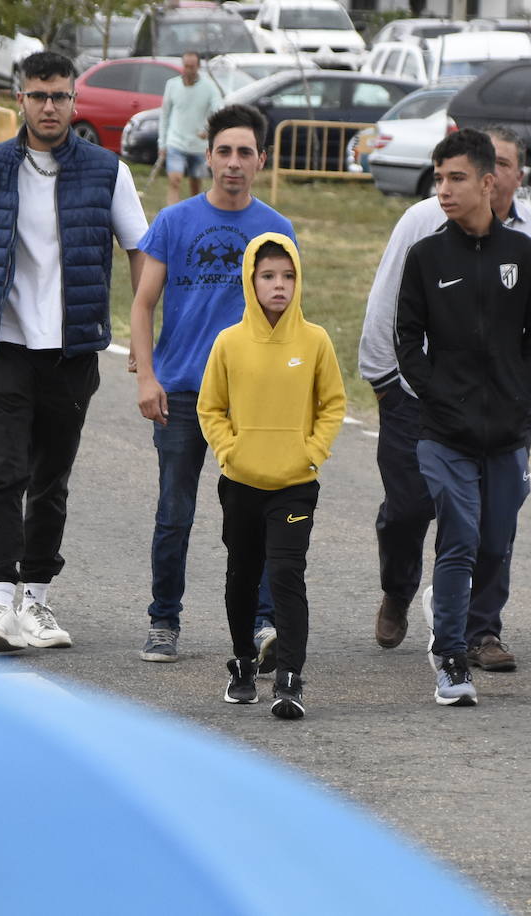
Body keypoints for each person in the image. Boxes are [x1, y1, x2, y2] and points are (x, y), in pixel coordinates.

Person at [0, 51, 149, 652]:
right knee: (3, 473)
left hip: (71, 351)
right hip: (3, 346)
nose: (49, 106)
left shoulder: (107, 172)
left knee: (50, 479)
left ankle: (38, 600)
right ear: (21, 99)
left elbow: (140, 252)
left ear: (74, 101)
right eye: (38, 96)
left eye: (59, 95)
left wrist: (141, 338)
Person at [358, 125, 531, 672]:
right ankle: (400, 588)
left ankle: (479, 632)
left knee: (489, 527)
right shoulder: (422, 229)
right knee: (408, 511)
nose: (448, 187)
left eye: (501, 165)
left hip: (503, 413)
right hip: (416, 402)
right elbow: (391, 313)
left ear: (506, 177)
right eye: (441, 177)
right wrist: (389, 384)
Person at [129, 103, 296, 663]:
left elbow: (288, 313)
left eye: (245, 152)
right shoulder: (175, 222)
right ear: (208, 157)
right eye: (223, 151)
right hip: (179, 391)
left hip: (250, 399)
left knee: (256, 515)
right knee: (174, 513)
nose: (233, 162)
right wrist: (147, 376)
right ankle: (163, 620)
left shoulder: (277, 229)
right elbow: (143, 303)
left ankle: (263, 625)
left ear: (261, 160)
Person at [394, 128, 531, 706]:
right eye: (438, 179)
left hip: (507, 432)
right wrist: (436, 394)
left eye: (455, 178)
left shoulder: (525, 255)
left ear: (489, 183)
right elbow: (407, 339)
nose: (443, 190)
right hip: (444, 432)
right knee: (459, 535)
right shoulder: (427, 256)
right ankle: (450, 658)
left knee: (494, 541)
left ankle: (460, 617)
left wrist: (523, 393)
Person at [197, 233, 345, 718]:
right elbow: (210, 407)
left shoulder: (315, 341)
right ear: (251, 281)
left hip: (294, 485)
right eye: (268, 276)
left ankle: (290, 680)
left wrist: (311, 451)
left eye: (287, 276)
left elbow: (333, 404)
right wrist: (230, 450)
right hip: (240, 482)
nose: (279, 285)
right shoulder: (229, 342)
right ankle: (242, 664)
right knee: (242, 576)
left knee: (286, 575)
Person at [157, 52, 223, 208]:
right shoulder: (172, 85)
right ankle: (172, 214)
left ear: (198, 67)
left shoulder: (208, 87)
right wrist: (162, 143)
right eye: (186, 66)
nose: (188, 70)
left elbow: (218, 109)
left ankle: (196, 214)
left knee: (196, 186)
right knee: (175, 179)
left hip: (198, 146)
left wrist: (209, 129)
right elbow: (165, 115)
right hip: (176, 142)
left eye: (192, 67)